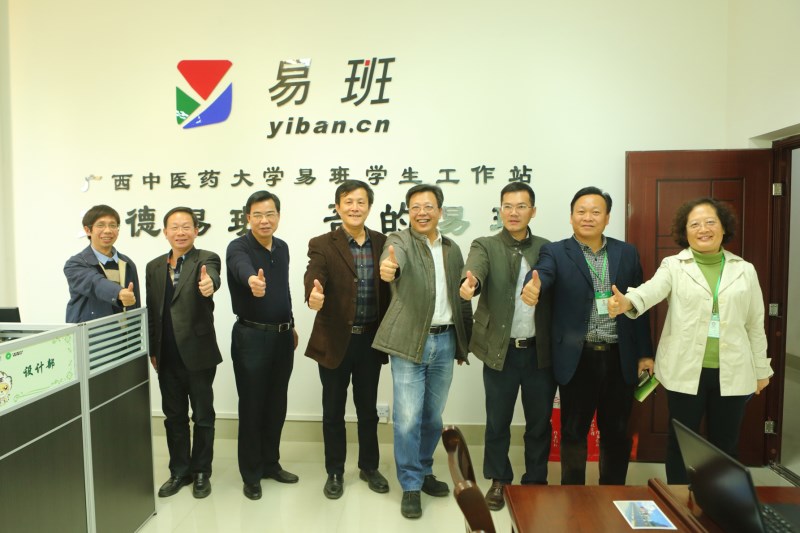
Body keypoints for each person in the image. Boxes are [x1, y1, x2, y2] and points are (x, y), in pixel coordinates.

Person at [607, 197, 772, 483]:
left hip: (733, 370)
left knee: (725, 445)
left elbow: (755, 325)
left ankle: (722, 500)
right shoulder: (673, 265)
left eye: (710, 222)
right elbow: (651, 290)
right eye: (694, 224)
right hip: (684, 370)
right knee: (681, 442)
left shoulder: (745, 270)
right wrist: (628, 302)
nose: (703, 229)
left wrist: (761, 370)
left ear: (723, 228)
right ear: (685, 231)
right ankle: (678, 500)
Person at [521, 186, 653, 485]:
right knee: (573, 432)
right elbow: (543, 273)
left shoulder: (626, 253)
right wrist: (533, 285)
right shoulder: (555, 252)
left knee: (616, 432)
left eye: (595, 212)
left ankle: (612, 492)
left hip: (620, 356)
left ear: (607, 218)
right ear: (571, 217)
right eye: (581, 212)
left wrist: (645, 353)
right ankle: (573, 494)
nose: (588, 217)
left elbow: (641, 305)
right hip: (578, 357)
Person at [372, 183, 473, 519]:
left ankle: (424, 469)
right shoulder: (399, 241)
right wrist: (389, 269)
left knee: (432, 416)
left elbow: (462, 297)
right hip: (408, 341)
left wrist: (463, 343)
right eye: (415, 207)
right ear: (408, 212)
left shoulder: (452, 249)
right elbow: (393, 262)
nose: (422, 213)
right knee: (407, 419)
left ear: (440, 212)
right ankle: (411, 485)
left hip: (445, 341)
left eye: (429, 206)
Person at [460, 182, 556, 511]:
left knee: (539, 423)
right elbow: (475, 270)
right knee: (497, 420)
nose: (514, 213)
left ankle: (536, 481)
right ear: (500, 210)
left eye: (521, 206)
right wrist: (470, 284)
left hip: (539, 353)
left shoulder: (546, 248)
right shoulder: (485, 245)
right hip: (499, 351)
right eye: (508, 206)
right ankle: (499, 479)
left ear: (533, 211)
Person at [303, 180, 391, 499]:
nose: (355, 207)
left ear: (369, 207)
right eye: (348, 202)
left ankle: (369, 467)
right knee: (333, 411)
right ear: (338, 207)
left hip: (369, 341)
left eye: (361, 202)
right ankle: (335, 471)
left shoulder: (383, 242)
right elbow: (314, 275)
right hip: (334, 341)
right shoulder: (323, 243)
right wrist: (313, 294)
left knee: (368, 410)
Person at [226, 190, 299, 500]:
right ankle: (251, 473)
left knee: (276, 404)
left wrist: (291, 323)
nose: (264, 220)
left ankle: (271, 463)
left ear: (278, 216)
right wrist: (251, 282)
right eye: (257, 215)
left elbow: (284, 289)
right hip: (251, 338)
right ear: (248, 218)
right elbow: (240, 268)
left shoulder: (282, 248)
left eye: (270, 214)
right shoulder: (238, 247)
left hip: (282, 337)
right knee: (252, 406)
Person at [146, 207, 223, 499]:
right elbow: (152, 311)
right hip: (166, 354)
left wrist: (209, 284)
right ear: (165, 232)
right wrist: (152, 348)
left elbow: (212, 278)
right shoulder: (153, 266)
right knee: (174, 416)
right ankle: (179, 471)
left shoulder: (206, 258)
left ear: (196, 230)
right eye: (174, 227)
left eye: (186, 226)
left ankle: (202, 471)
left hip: (198, 352)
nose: (180, 232)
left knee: (203, 415)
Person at [64, 204, 139, 322]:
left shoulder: (127, 263)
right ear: (88, 230)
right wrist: (118, 293)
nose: (108, 230)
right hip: (90, 332)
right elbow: (95, 283)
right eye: (100, 225)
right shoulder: (75, 264)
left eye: (113, 225)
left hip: (124, 332)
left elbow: (134, 305)